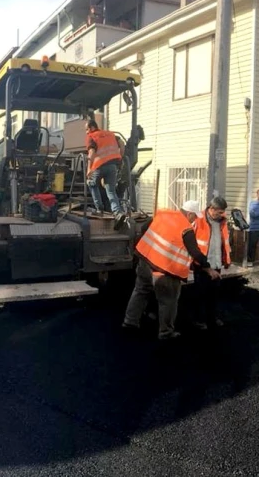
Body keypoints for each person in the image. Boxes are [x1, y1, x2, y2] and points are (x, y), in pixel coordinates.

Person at [122, 200, 219, 340]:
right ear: (190, 214)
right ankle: (166, 333)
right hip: (164, 270)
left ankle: (130, 322)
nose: (195, 219)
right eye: (194, 216)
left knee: (140, 291)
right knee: (168, 301)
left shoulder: (163, 214)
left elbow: (144, 229)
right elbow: (195, 252)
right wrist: (208, 268)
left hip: (145, 261)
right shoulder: (186, 229)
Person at [192, 197, 232, 329]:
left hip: (216, 263)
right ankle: (199, 319)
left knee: (214, 294)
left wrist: (226, 260)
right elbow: (191, 242)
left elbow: (224, 241)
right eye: (219, 212)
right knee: (200, 293)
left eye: (223, 212)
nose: (222, 215)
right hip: (202, 264)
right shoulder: (199, 220)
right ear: (211, 208)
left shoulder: (222, 222)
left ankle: (212, 318)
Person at [85, 118, 125, 220]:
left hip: (99, 166)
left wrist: (89, 168)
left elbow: (91, 153)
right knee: (111, 190)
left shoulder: (92, 136)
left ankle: (99, 209)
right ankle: (117, 212)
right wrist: (120, 157)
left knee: (91, 183)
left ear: (92, 127)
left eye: (87, 129)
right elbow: (122, 144)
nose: (86, 132)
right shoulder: (110, 134)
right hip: (112, 166)